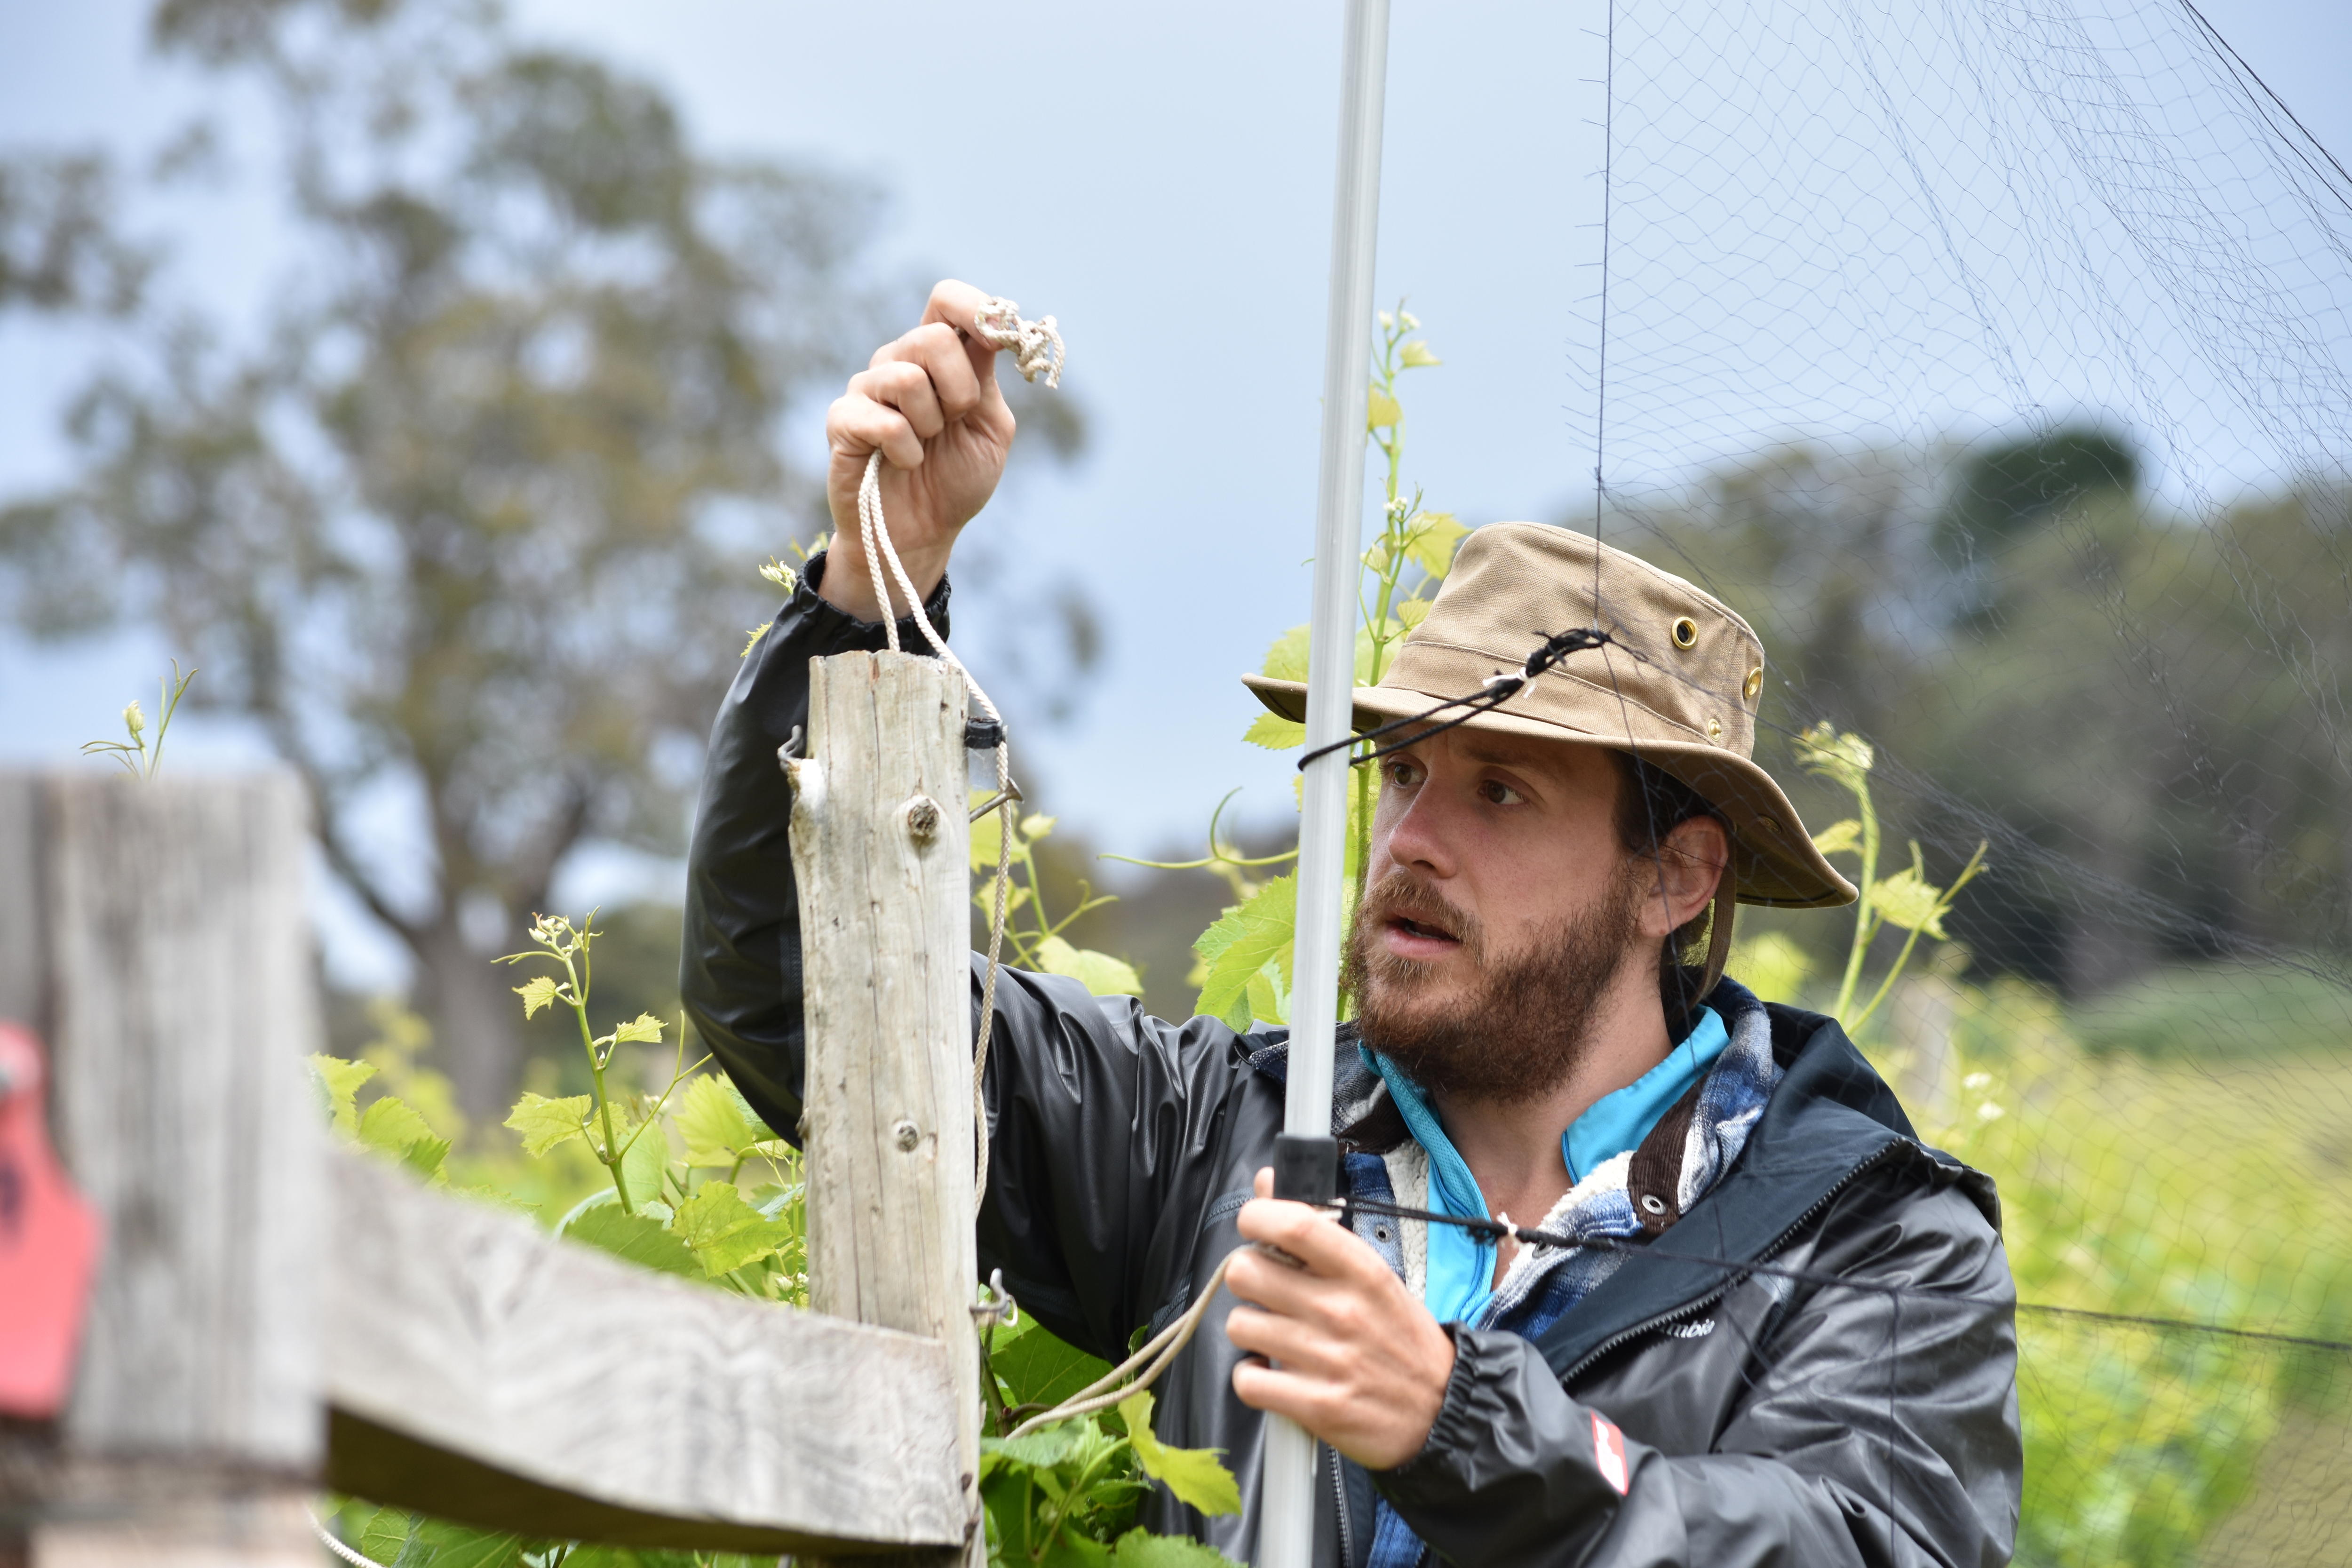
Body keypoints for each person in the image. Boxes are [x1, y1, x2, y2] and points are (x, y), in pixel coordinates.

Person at [683, 280, 2022, 1568]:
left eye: (1501, 790)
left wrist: (1463, 1422)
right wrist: (871, 593)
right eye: (1405, 775)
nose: (1415, 840)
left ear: (1676, 879)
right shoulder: (1217, 1135)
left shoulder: (1874, 1242)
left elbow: (1863, 1546)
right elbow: (816, 1000)